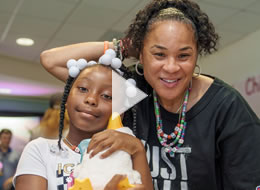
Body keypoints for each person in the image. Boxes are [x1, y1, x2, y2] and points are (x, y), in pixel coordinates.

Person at [39, 0, 260, 189]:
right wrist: (124, 47)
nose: (171, 67)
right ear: (142, 56)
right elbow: (51, 61)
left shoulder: (226, 107)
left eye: (183, 56)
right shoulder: (133, 92)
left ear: (196, 56)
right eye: (159, 54)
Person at [13, 50, 153, 190]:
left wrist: (138, 149)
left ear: (119, 112)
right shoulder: (40, 150)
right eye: (83, 88)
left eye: (106, 96)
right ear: (67, 99)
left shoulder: (127, 154)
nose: (91, 99)